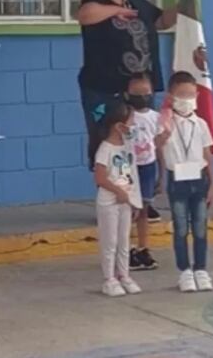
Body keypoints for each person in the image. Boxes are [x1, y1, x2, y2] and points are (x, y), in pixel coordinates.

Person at [77, 0, 175, 222]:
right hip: (104, 89)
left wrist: (179, 9)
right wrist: (119, 10)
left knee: (141, 143)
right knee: (108, 142)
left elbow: (159, 20)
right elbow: (85, 15)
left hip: (139, 90)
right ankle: (111, 196)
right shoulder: (94, 0)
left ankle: (141, 199)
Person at [156, 71, 213, 293]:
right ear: (171, 96)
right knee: (181, 227)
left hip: (199, 179)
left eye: (191, 94)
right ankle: (185, 271)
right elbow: (157, 149)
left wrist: (212, 184)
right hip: (177, 179)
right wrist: (161, 178)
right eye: (182, 94)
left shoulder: (200, 123)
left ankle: (201, 268)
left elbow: (207, 154)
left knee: (200, 227)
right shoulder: (163, 121)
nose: (187, 99)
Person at [93, 100, 143, 297]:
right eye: (131, 122)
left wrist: (133, 199)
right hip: (109, 202)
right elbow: (100, 177)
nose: (133, 126)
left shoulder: (127, 146)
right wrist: (117, 191)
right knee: (110, 241)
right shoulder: (105, 148)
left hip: (125, 201)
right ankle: (109, 279)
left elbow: (132, 174)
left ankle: (124, 275)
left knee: (124, 241)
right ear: (119, 126)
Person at [124, 73, 161, 271]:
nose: (142, 97)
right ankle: (126, 248)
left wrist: (162, 175)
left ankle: (143, 247)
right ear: (127, 94)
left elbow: (159, 146)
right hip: (128, 166)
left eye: (146, 93)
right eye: (136, 94)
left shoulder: (155, 118)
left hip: (148, 166)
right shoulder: (123, 115)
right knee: (128, 210)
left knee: (144, 209)